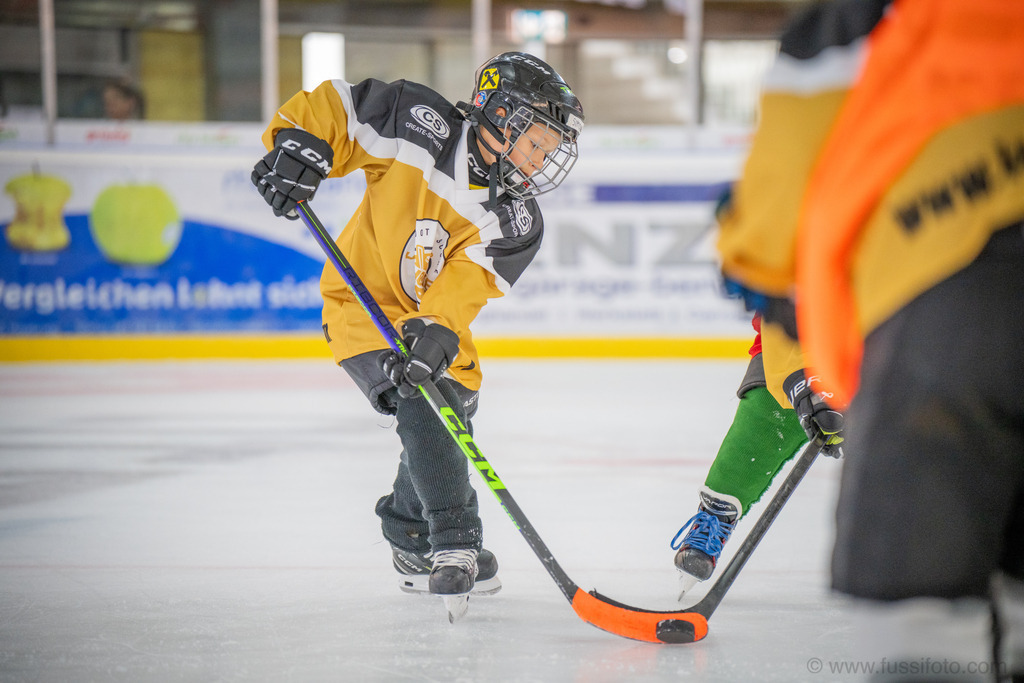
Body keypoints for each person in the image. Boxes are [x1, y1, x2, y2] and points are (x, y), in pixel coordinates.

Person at [716, 0, 1024, 680]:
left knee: (923, 624)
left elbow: (784, 179)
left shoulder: (856, 19)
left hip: (944, 307)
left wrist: (755, 259)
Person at [250, 53, 584, 606]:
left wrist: (435, 331)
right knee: (427, 399)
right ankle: (453, 542)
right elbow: (338, 110)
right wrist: (300, 143)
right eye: (537, 142)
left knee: (450, 407)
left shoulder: (516, 220)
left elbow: (463, 287)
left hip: (430, 318)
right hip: (362, 307)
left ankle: (409, 535)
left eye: (549, 151)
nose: (541, 160)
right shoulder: (415, 121)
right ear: (500, 115)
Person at [671, 310, 845, 597]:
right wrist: (802, 377)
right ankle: (718, 511)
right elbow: (785, 304)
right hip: (800, 342)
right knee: (768, 411)